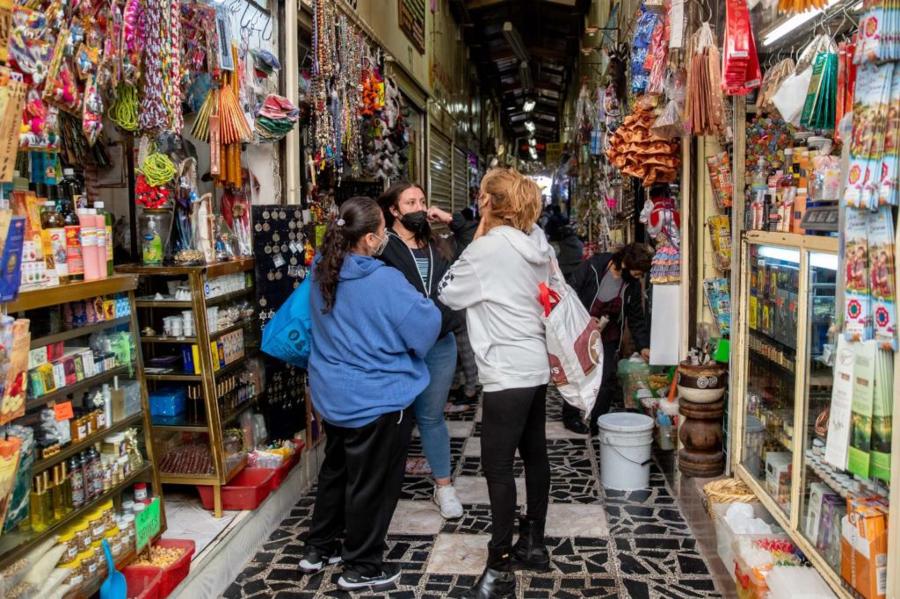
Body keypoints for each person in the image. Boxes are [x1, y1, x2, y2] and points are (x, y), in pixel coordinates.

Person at [300, 197, 441, 591]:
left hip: (333, 395)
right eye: (381, 232)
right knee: (372, 484)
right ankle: (361, 564)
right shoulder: (383, 280)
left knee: (337, 470)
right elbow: (424, 328)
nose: (384, 239)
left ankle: (318, 547)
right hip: (378, 399)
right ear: (369, 238)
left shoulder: (321, 270)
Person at [439, 168, 553, 599]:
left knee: (498, 466)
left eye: (481, 195)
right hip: (535, 365)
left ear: (488, 202)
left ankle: (499, 563)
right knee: (535, 454)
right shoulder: (536, 243)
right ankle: (535, 544)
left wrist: (474, 238)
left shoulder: (486, 251)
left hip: (506, 370)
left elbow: (449, 293)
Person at [377, 183, 465, 520]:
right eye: (410, 202)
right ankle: (383, 486)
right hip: (397, 347)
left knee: (431, 416)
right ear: (394, 211)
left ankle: (443, 487)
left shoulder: (438, 243)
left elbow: (472, 240)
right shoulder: (383, 246)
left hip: (440, 344)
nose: (419, 207)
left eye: (423, 201)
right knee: (393, 418)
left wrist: (449, 218)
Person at [565, 243, 653, 435]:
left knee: (606, 379)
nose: (640, 277)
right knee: (579, 374)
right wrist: (585, 318)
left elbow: (636, 317)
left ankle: (598, 422)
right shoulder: (594, 267)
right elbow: (569, 292)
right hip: (583, 330)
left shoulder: (631, 285)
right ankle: (571, 417)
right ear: (625, 264)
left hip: (609, 333)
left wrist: (644, 346)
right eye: (637, 272)